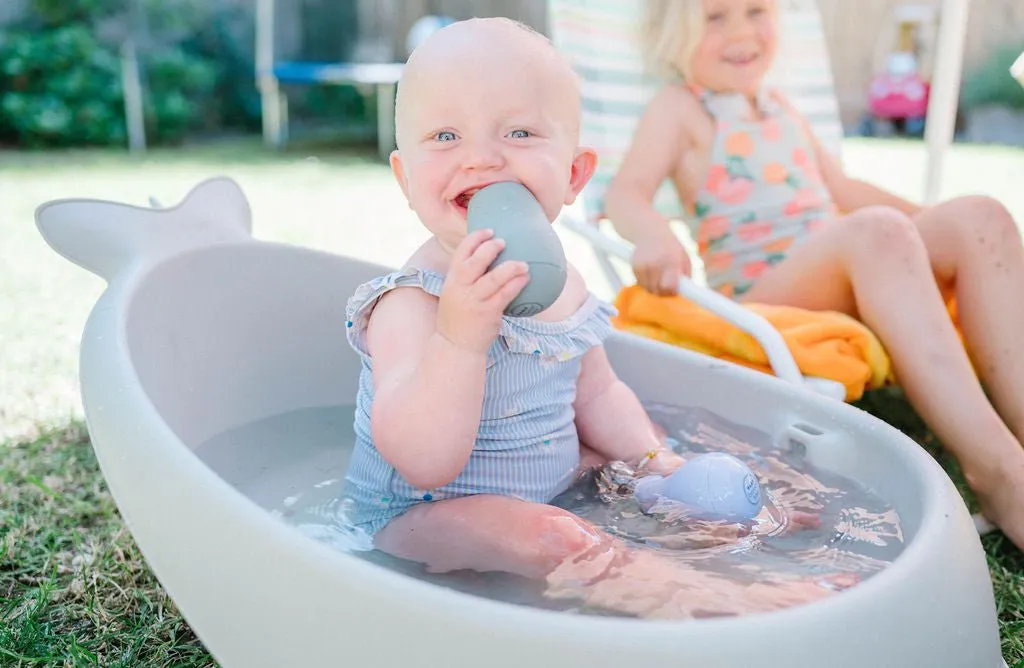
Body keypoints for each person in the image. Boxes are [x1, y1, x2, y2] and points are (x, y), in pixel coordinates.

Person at [340, 16, 847, 618]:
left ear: (575, 174)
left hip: (548, 490)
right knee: (554, 537)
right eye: (445, 136)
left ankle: (737, 534)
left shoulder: (565, 287)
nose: (480, 159)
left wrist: (660, 467)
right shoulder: (411, 305)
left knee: (625, 468)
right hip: (421, 519)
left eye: (519, 131)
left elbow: (599, 395)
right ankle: (715, 601)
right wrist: (460, 338)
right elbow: (423, 461)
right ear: (405, 177)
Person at [604, 0, 1024, 551]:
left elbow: (844, 194)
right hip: (767, 294)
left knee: (979, 215)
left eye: (756, 11)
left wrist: (953, 234)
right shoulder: (680, 109)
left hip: (849, 263)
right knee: (877, 230)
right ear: (673, 36)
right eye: (714, 17)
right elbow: (626, 192)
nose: (741, 32)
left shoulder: (780, 107)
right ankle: (999, 471)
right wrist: (656, 234)